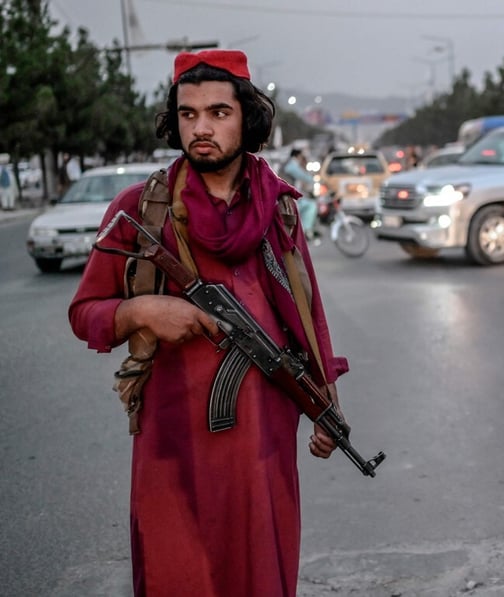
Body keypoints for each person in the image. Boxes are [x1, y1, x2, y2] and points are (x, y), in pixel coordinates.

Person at [68, 49, 350, 595]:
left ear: (248, 117)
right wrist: (144, 310)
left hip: (264, 447)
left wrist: (327, 404)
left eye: (219, 113)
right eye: (188, 113)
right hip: (173, 449)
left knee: (260, 575)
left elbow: (309, 316)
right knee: (180, 574)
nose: (201, 127)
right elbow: (85, 313)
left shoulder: (280, 209)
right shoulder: (141, 207)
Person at [282, 148, 319, 243]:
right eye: (302, 156)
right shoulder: (291, 165)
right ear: (297, 156)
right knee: (311, 205)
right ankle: (306, 231)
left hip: (288, 197)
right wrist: (313, 180)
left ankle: (304, 231)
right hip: (286, 199)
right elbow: (302, 176)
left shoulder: (291, 164)